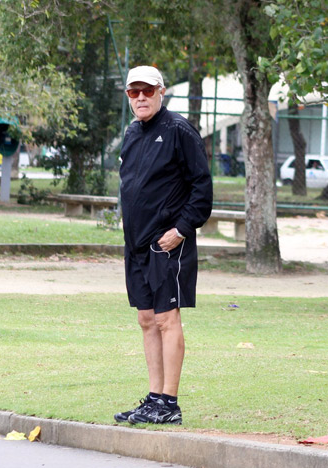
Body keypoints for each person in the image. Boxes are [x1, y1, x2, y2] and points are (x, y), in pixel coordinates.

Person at [114, 66, 213, 425]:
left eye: (147, 90)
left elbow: (202, 189)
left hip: (168, 243)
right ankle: (154, 398)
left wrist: (181, 230)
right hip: (136, 245)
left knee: (167, 318)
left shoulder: (179, 131)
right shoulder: (131, 133)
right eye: (133, 92)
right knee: (146, 319)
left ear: (161, 92)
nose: (140, 97)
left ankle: (169, 402)